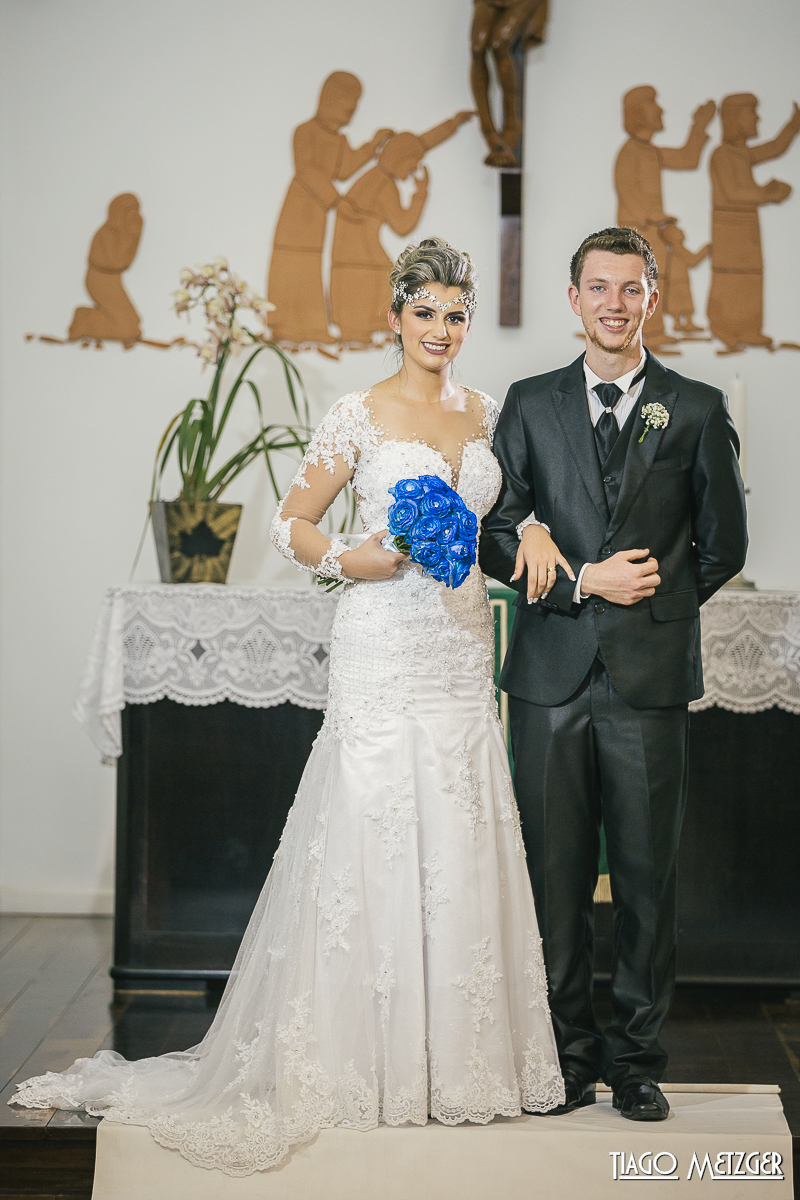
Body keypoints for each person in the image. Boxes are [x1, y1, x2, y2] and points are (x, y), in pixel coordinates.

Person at [11, 237, 563, 1173]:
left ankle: (458, 1068)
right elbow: (292, 523)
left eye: (455, 314)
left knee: (462, 829)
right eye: (424, 312)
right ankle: (361, 1063)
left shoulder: (491, 413)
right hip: (383, 644)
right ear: (395, 317)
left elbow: (513, 514)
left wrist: (539, 522)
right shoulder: (358, 413)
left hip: (461, 648)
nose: (440, 329)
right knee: (374, 831)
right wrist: (359, 558)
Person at [480, 226, 747, 1122]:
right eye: (598, 287)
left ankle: (635, 1062)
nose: (614, 304)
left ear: (652, 298)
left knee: (644, 879)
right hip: (548, 679)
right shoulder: (528, 403)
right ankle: (564, 1057)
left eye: (630, 289)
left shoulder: (696, 407)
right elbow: (493, 532)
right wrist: (586, 585)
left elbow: (723, 546)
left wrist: (652, 609)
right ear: (573, 298)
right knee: (552, 881)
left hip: (649, 683)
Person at [267, 71, 392, 345]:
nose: (349, 112)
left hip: (318, 214)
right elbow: (307, 170)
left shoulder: (339, 140)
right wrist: (337, 201)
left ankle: (311, 326)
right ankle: (284, 325)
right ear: (328, 100)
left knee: (310, 263)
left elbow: (345, 169)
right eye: (345, 105)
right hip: (299, 208)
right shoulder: (304, 132)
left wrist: (373, 145)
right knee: (291, 260)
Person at [329, 115, 474, 343]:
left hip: (353, 251)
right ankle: (359, 332)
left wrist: (451, 125)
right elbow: (402, 225)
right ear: (398, 158)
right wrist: (420, 193)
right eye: (413, 161)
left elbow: (419, 142)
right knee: (391, 282)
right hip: (358, 254)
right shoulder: (384, 185)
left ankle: (358, 331)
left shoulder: (371, 178)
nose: (415, 168)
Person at [614, 87, 715, 349]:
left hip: (653, 232)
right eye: (653, 105)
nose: (661, 110)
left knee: (656, 281)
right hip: (637, 233)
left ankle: (654, 332)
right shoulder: (629, 152)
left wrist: (699, 125)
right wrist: (655, 216)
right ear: (637, 114)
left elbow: (687, 158)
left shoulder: (650, 152)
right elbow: (627, 193)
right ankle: (644, 335)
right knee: (639, 283)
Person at [707, 94, 800, 353]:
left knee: (751, 278)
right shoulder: (722, 155)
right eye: (752, 113)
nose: (758, 118)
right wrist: (767, 193)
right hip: (729, 230)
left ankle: (749, 328)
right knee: (730, 279)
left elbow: (774, 148)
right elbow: (734, 193)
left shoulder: (743, 154)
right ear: (735, 119)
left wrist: (793, 127)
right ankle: (723, 326)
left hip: (747, 229)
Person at [68, 193, 143, 344]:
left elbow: (126, 262)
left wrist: (134, 236)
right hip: (99, 281)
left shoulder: (124, 234)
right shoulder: (106, 234)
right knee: (127, 329)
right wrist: (131, 238)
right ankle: (84, 321)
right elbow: (116, 262)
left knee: (134, 322)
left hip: (114, 281)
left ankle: (87, 318)